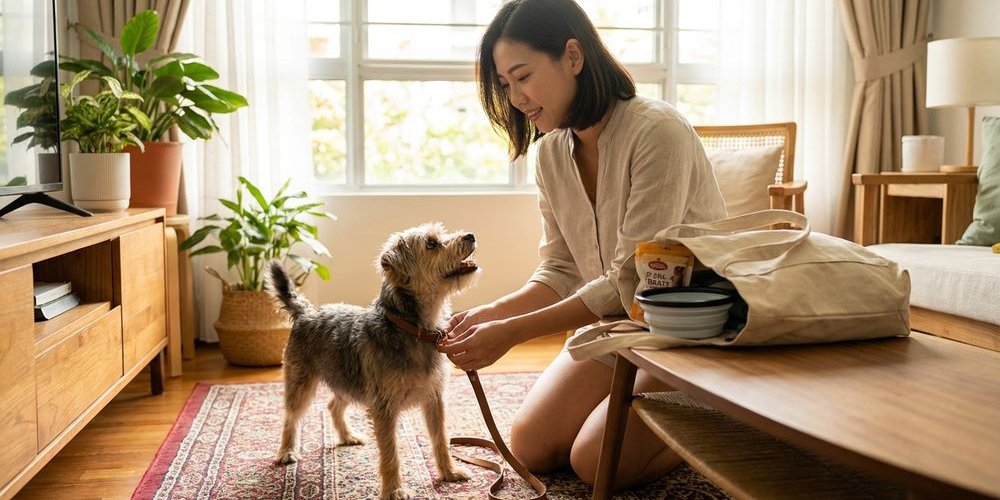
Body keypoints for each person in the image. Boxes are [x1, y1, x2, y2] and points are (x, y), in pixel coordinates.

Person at [436, 0, 728, 490]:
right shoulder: (550, 152)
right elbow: (559, 270)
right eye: (505, 85)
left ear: (573, 56)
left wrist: (511, 334)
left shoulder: (657, 131)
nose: (515, 98)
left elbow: (631, 281)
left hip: (689, 332)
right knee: (532, 446)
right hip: (619, 329)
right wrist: (490, 315)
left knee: (596, 463)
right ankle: (656, 415)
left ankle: (717, 412)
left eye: (522, 76)